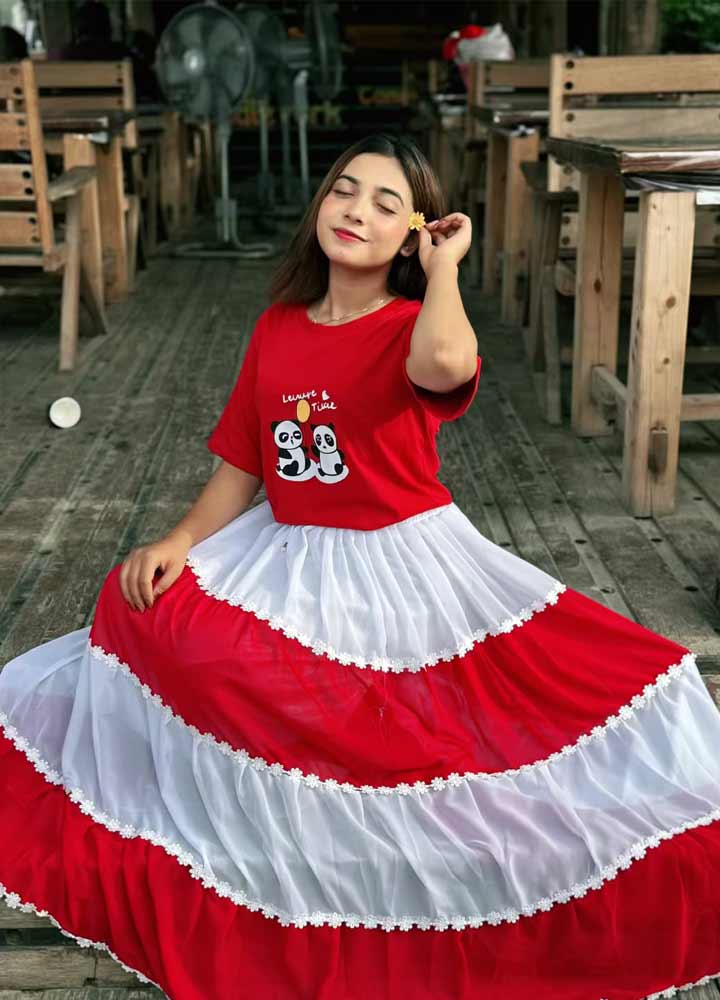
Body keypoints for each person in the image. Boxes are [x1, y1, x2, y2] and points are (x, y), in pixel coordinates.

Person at [0, 131, 719, 999]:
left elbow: (447, 364)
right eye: (345, 190)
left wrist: (445, 268)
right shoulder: (277, 327)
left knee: (432, 713)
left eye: (387, 204)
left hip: (400, 556)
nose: (356, 211)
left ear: (412, 233)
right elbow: (244, 463)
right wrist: (178, 540)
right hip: (285, 547)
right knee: (140, 608)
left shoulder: (413, 327)